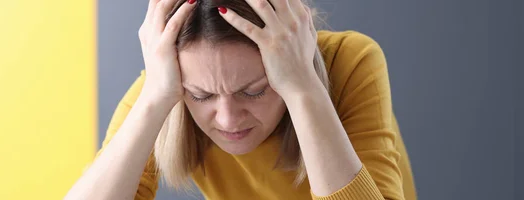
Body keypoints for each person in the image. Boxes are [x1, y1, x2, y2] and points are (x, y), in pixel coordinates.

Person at [66, 0, 416, 199]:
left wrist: (302, 86)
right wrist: (156, 98)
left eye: (254, 90)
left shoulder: (350, 62)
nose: (228, 120)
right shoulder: (165, 88)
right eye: (201, 95)